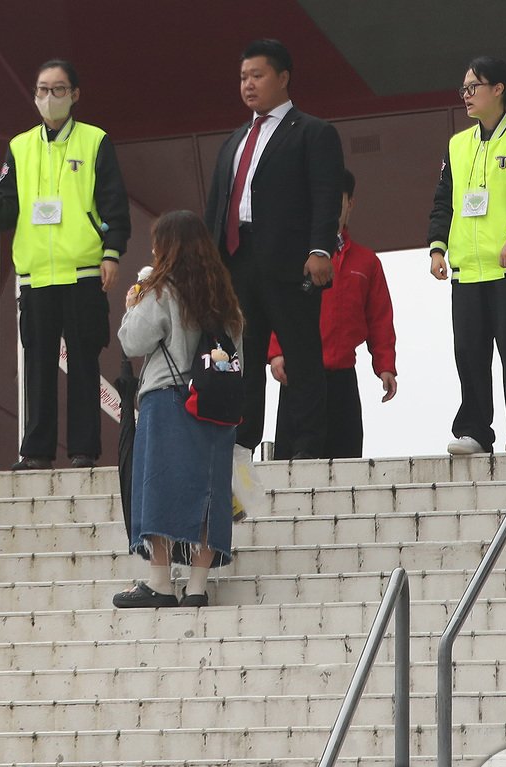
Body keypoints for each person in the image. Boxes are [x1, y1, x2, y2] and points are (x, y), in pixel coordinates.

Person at [0, 58, 131, 470]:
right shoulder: (20, 145)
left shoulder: (95, 141)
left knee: (85, 361)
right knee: (37, 364)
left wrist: (111, 252)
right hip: (35, 275)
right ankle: (35, 450)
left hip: (83, 270)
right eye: (41, 90)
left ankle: (84, 450)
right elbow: (8, 200)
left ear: (74, 95)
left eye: (57, 90)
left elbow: (113, 204)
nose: (48, 98)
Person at [203, 38, 345, 460]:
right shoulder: (234, 139)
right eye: (243, 77)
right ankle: (241, 443)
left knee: (301, 355)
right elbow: (216, 204)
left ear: (283, 78)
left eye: (257, 76)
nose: (248, 85)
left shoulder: (314, 132)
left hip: (289, 263)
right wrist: (209, 264)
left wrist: (320, 249)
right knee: (238, 357)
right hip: (236, 260)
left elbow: (325, 196)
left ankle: (305, 447)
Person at [113, 211, 245, 609]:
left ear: (168, 247)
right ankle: (198, 587)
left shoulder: (163, 290)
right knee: (209, 492)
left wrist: (133, 304)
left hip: (168, 402)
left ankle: (160, 583)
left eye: (157, 243)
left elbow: (131, 342)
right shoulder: (225, 298)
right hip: (216, 405)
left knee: (157, 487)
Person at [429, 56, 506, 456]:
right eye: (463, 89)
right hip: (468, 267)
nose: (466, 95)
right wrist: (437, 247)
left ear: (498, 89)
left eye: (474, 87)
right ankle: (474, 430)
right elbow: (443, 202)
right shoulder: (456, 144)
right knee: (469, 349)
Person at [268, 169, 398, 458]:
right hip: (298, 375)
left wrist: (385, 365)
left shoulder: (366, 261)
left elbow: (379, 318)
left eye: (336, 201)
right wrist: (276, 352)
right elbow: (278, 306)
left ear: (350, 203)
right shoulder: (294, 254)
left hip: (342, 379)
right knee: (292, 465)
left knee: (346, 461)